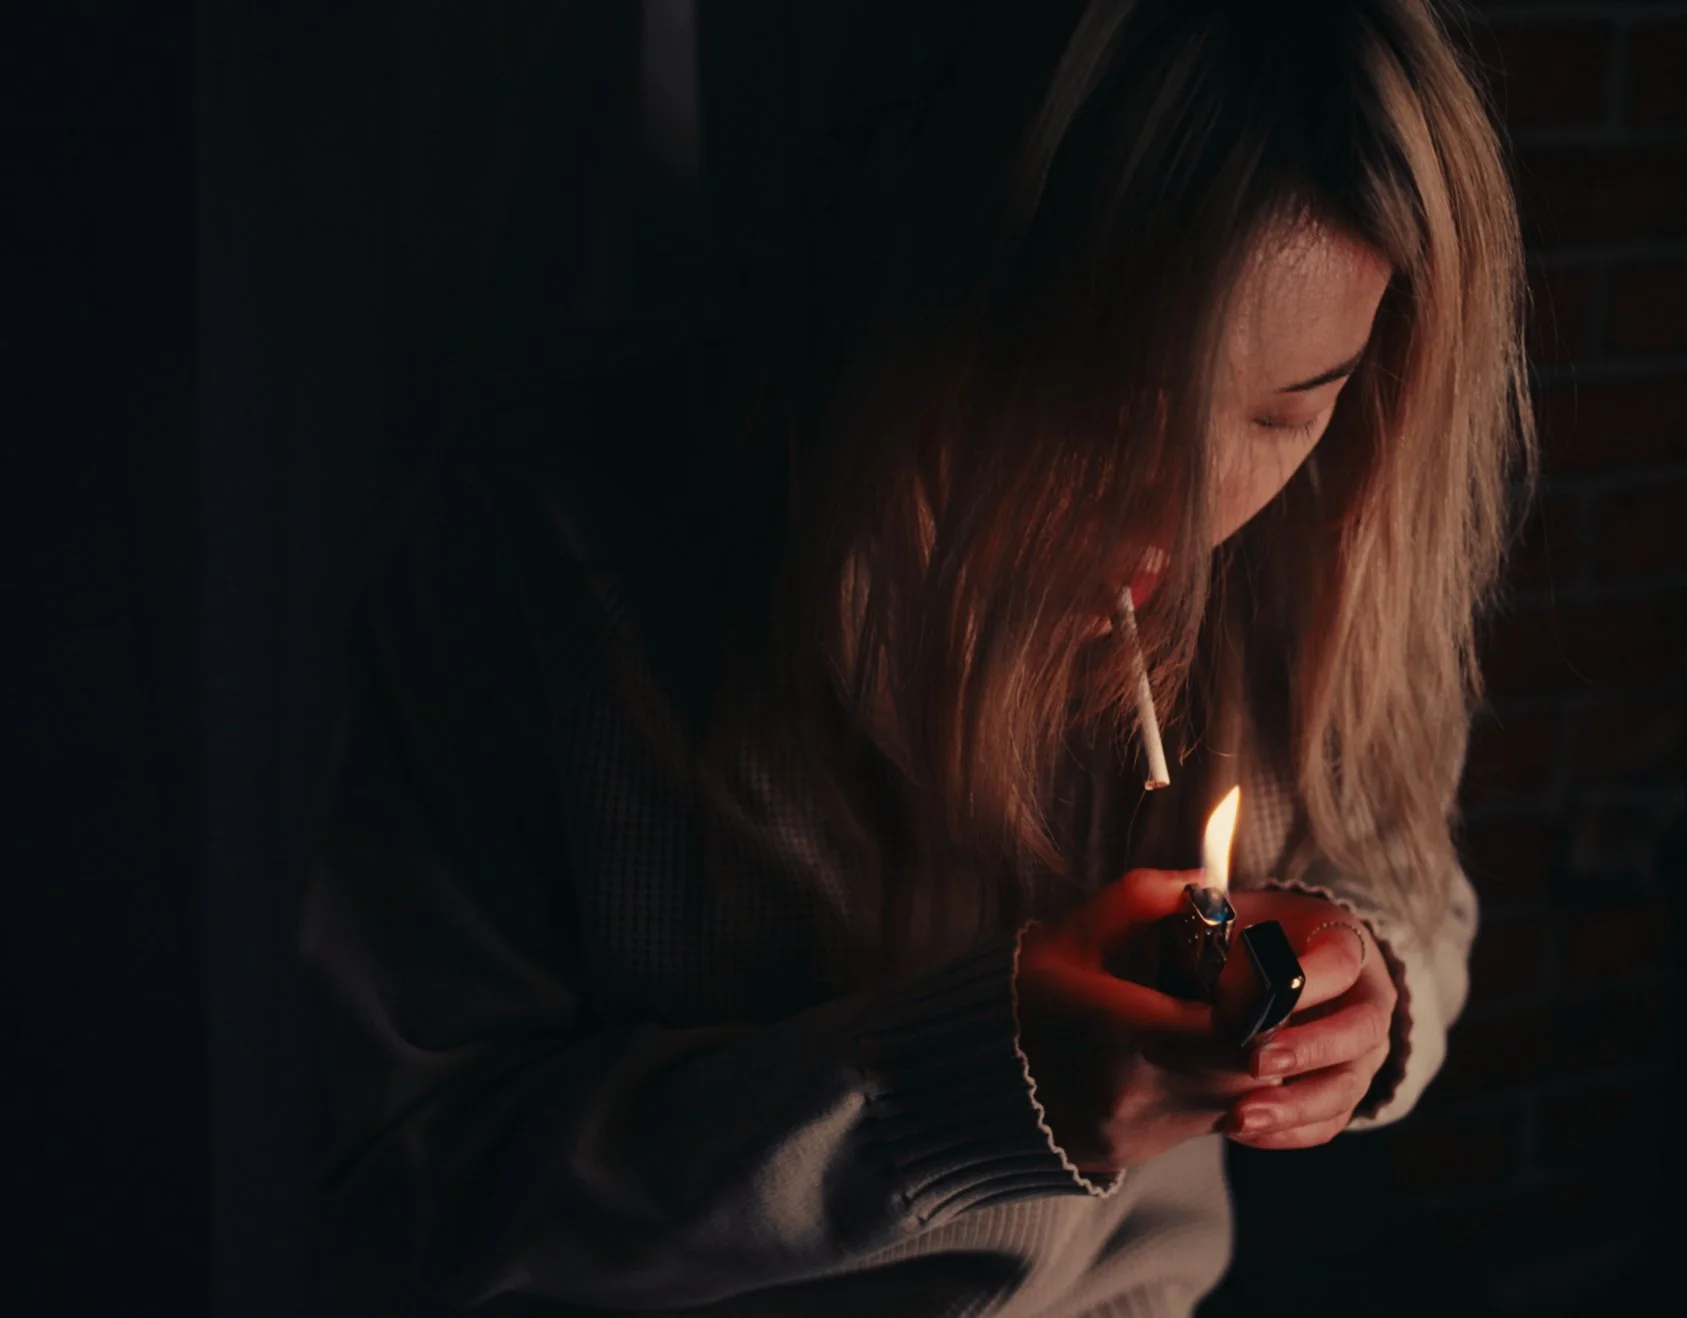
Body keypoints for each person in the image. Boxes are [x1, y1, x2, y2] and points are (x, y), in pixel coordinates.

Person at [298, 0, 1530, 1312]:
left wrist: (1371, 988)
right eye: (1113, 407)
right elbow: (419, 1181)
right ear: (932, 284)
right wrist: (965, 1093)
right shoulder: (556, 566)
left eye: (1290, 410)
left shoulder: (1314, 560)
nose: (1185, 510)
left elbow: (1413, 880)